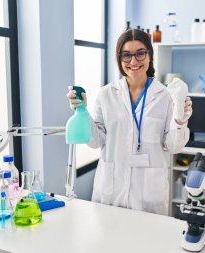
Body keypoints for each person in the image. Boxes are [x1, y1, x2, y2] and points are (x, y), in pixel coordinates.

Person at [67, 29, 192, 215]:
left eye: (140, 53)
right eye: (127, 55)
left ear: (149, 56)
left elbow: (173, 146)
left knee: (146, 242)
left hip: (148, 195)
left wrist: (180, 120)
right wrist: (83, 113)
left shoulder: (166, 96)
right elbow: (96, 141)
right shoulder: (106, 94)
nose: (134, 62)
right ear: (119, 59)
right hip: (110, 192)